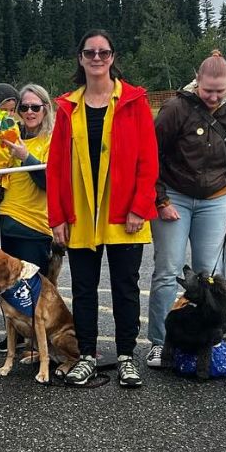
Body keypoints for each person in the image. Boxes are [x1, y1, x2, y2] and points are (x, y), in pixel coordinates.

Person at [47, 29, 158, 388]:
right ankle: (88, 356)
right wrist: (58, 216)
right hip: (80, 213)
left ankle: (126, 356)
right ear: (80, 58)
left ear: (113, 57)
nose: (97, 58)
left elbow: (148, 159)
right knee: (84, 287)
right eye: (90, 52)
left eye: (104, 53)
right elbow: (57, 167)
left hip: (126, 213)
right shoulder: (67, 107)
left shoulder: (134, 101)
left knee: (126, 286)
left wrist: (140, 206)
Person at [146, 52, 226, 368]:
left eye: (220, 91)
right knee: (169, 271)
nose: (214, 97)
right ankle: (160, 342)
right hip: (175, 194)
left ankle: (210, 340)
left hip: (216, 197)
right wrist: (160, 200)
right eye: (208, 91)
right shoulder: (175, 108)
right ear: (197, 81)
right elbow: (152, 156)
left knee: (210, 276)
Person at [0, 83, 57, 354]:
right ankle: (13, 334)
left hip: (34, 225)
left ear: (46, 108)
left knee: (32, 288)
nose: (30, 112)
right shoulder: (11, 135)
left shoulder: (53, 139)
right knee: (6, 284)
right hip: (5, 218)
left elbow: (50, 182)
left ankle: (37, 341)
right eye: (24, 107)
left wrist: (26, 157)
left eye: (36, 107)